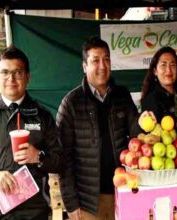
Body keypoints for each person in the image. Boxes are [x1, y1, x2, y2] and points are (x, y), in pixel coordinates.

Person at [57, 36, 147, 220]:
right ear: (84, 66)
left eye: (106, 59)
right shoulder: (71, 103)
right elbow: (63, 157)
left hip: (122, 189)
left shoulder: (121, 95)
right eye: (95, 60)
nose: (102, 66)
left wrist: (144, 121)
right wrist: (71, 203)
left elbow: (136, 132)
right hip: (87, 200)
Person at [0, 46, 63, 219]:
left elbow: (60, 161)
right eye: (5, 72)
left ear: (27, 77)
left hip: (35, 213)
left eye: (18, 72)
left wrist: (38, 157)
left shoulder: (43, 116)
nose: (11, 78)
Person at [141, 46, 177, 122]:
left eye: (172, 65)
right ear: (155, 71)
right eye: (163, 65)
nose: (168, 70)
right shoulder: (151, 100)